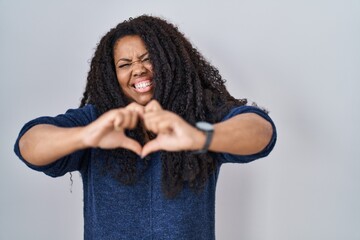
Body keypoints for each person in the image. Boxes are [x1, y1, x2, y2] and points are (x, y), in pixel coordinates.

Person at [14, 15, 277, 240]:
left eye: (148, 58)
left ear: (168, 62)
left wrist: (200, 136)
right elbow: (28, 144)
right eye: (124, 65)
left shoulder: (199, 115)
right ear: (112, 76)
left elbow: (261, 132)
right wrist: (85, 135)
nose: (138, 70)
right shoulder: (98, 120)